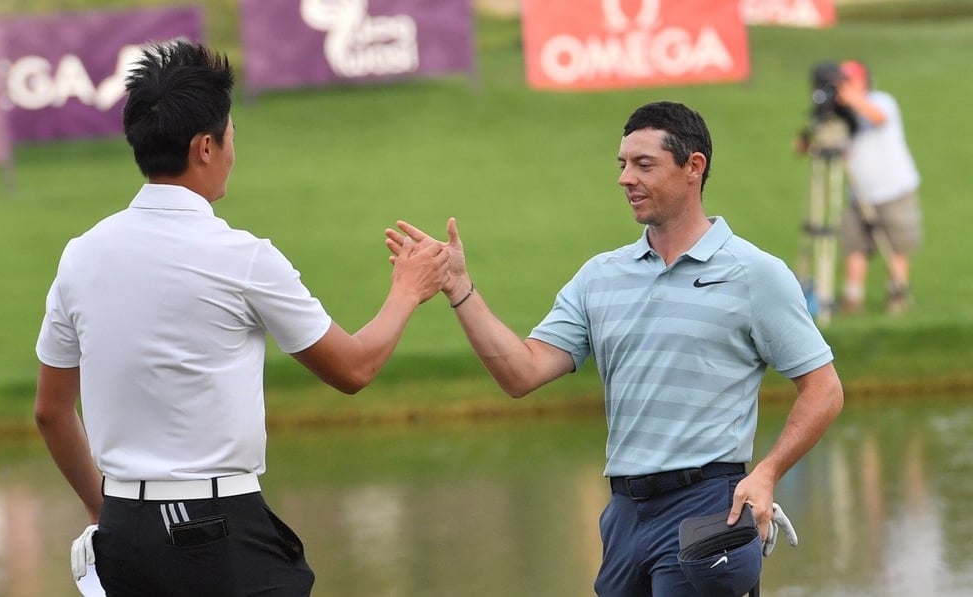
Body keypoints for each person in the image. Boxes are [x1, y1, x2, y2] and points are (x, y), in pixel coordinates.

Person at [33, 40, 448, 597]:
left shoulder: (79, 255)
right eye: (230, 137)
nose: (233, 150)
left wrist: (102, 509)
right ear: (205, 146)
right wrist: (407, 290)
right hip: (217, 529)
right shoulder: (243, 257)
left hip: (123, 537)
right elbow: (353, 369)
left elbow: (51, 412)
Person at [387, 101, 844, 596]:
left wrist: (767, 473)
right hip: (625, 515)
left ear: (694, 167)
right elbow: (521, 373)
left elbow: (823, 389)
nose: (626, 178)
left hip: (707, 506)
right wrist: (459, 287)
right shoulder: (600, 276)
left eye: (643, 165)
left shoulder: (754, 273)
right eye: (622, 164)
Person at [835, 59, 922, 314]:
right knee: (855, 246)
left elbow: (878, 116)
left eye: (850, 82)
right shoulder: (843, 116)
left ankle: (898, 295)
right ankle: (852, 299)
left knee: (896, 244)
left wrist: (851, 100)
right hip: (859, 195)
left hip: (894, 190)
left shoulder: (882, 100)